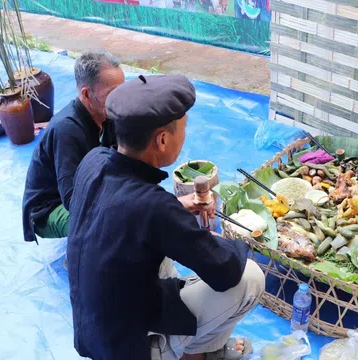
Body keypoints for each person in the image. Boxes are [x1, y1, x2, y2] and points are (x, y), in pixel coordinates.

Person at [67, 74, 265, 360]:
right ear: (162, 139)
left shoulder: (93, 159)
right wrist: (218, 239)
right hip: (132, 348)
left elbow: (125, 213)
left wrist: (176, 208)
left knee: (156, 249)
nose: (185, 135)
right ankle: (193, 353)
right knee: (250, 277)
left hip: (93, 334)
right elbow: (225, 272)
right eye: (183, 128)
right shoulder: (154, 208)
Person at [22, 50, 125, 243]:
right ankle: (80, 258)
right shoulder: (67, 129)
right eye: (113, 94)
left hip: (84, 187)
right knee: (115, 220)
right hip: (50, 207)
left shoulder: (106, 112)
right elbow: (72, 200)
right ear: (86, 94)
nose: (121, 100)